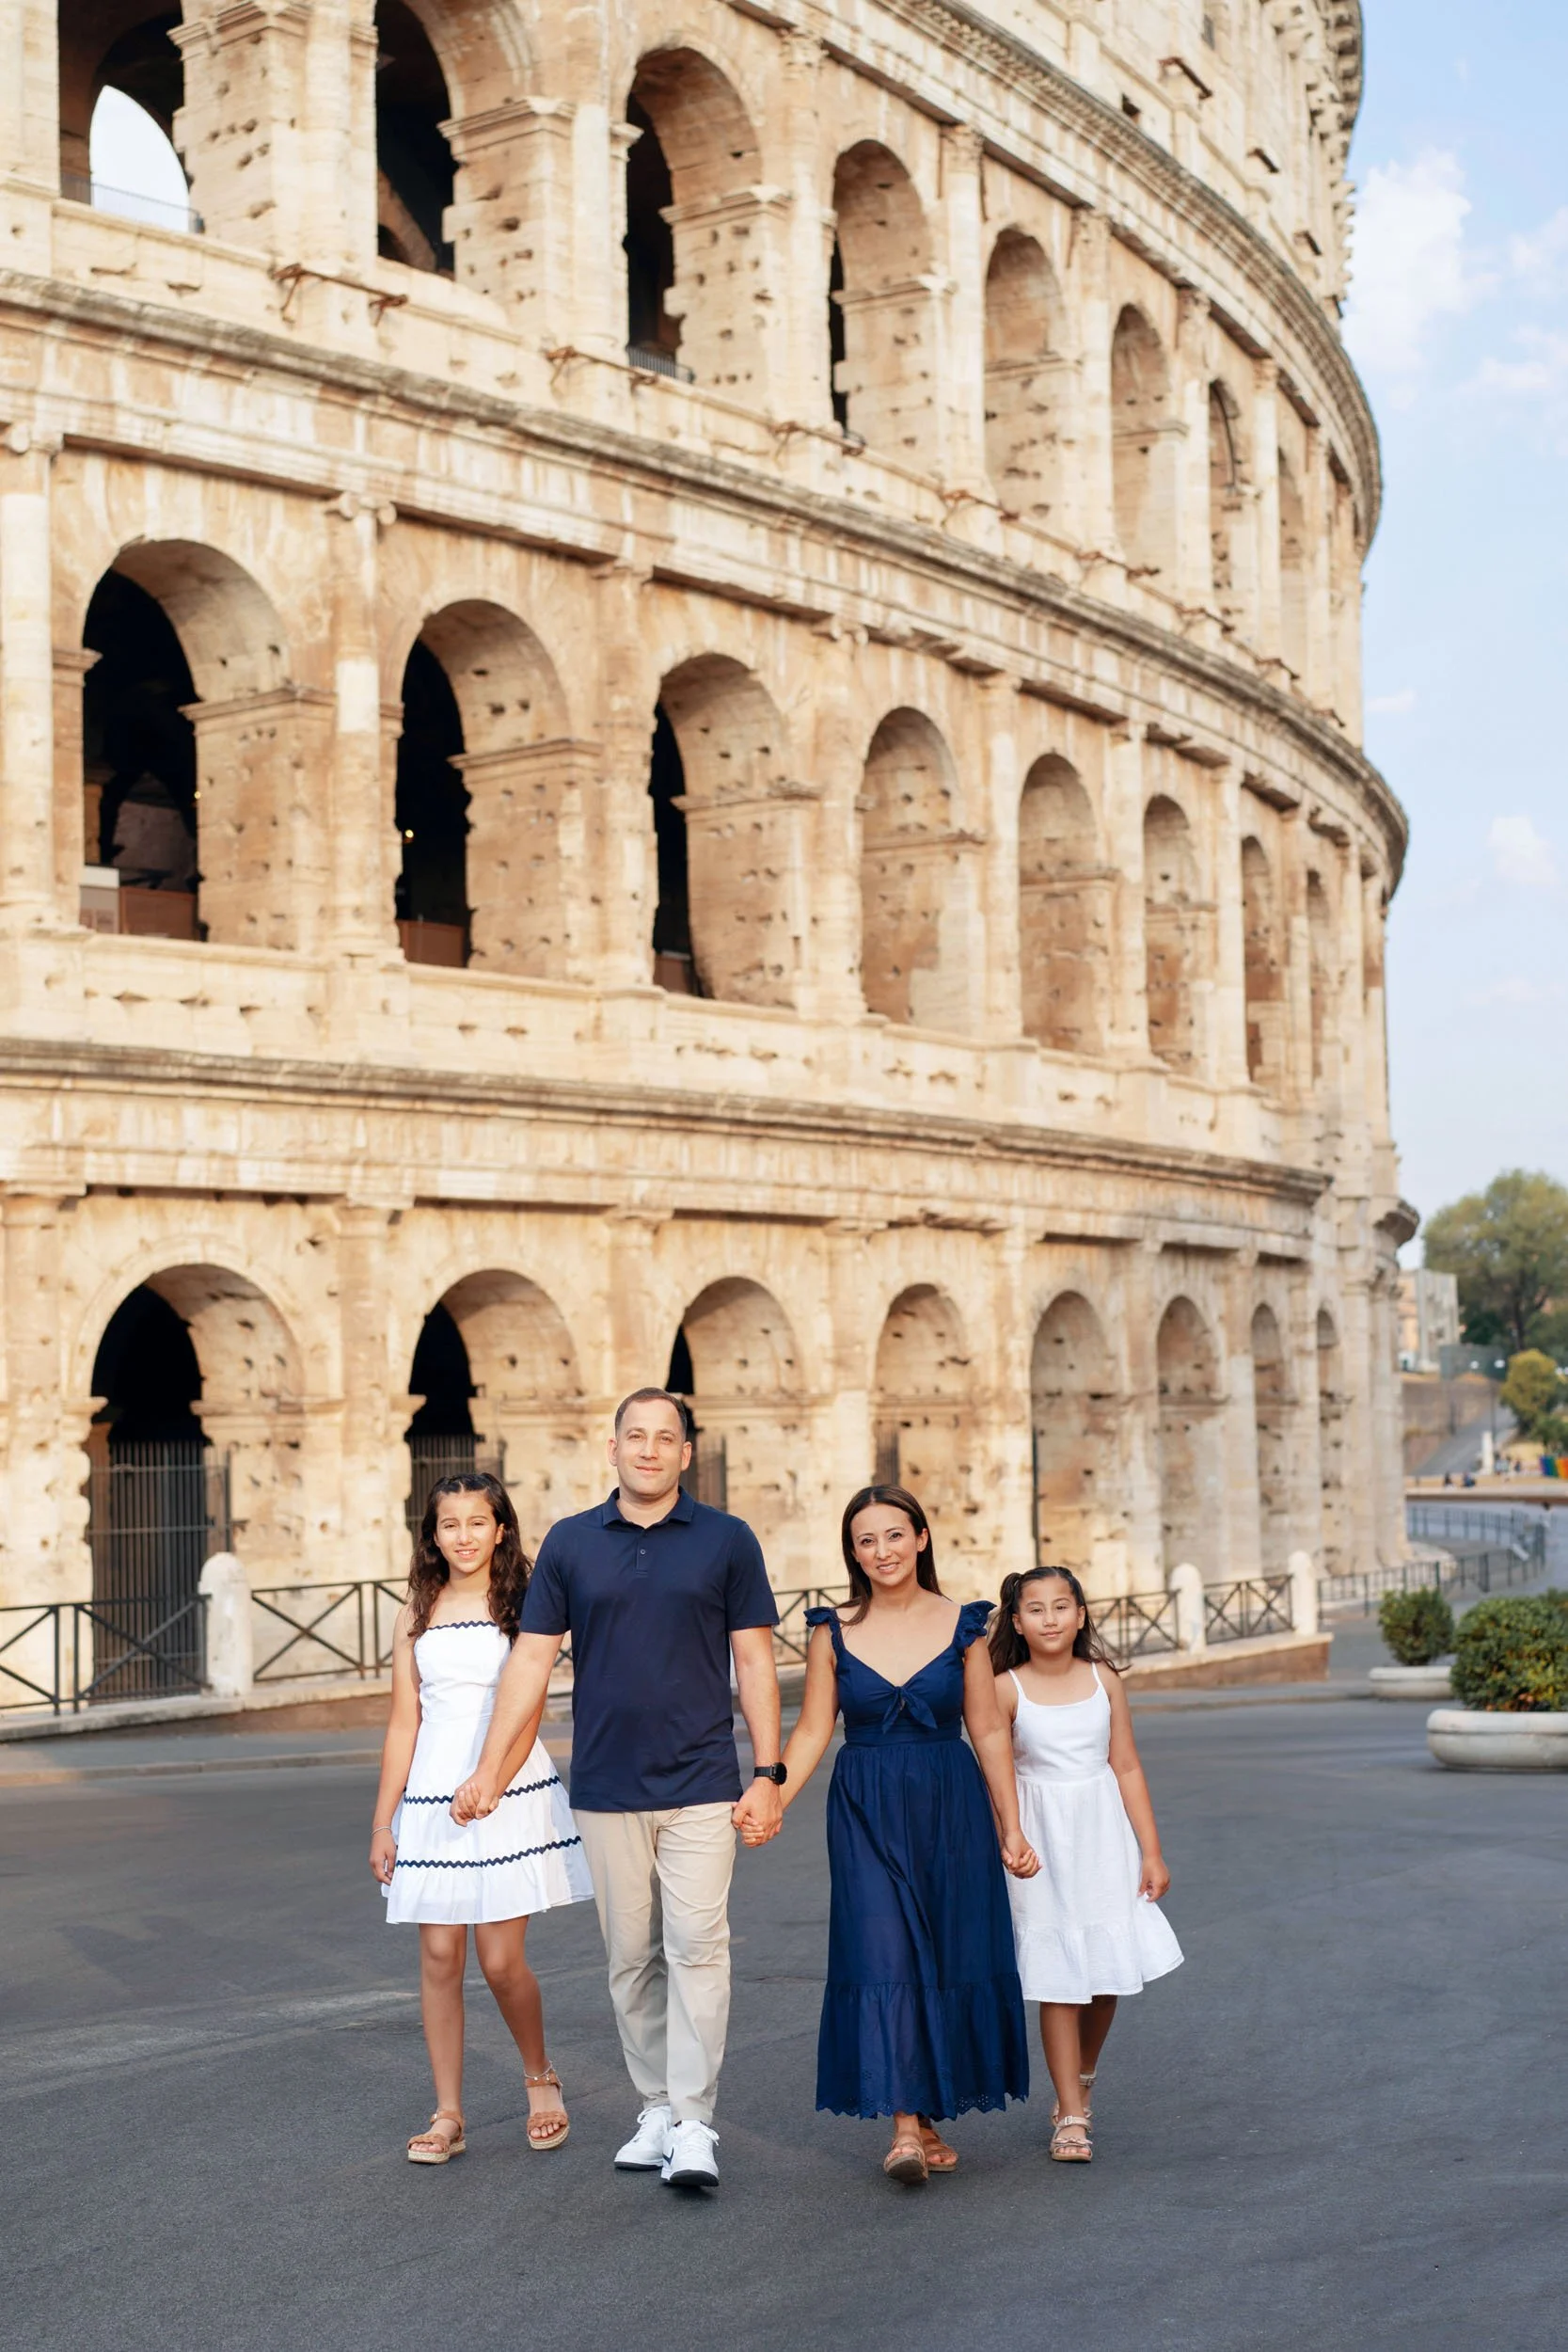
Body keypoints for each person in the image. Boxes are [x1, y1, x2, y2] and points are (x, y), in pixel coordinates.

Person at [451, 1390, 784, 2192]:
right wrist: (490, 1770)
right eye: (634, 1436)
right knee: (629, 1957)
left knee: (697, 1948)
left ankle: (696, 2122)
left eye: (663, 1438)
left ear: (684, 1454)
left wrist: (767, 1774)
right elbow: (530, 1663)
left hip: (703, 1779)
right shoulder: (571, 1543)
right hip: (603, 1784)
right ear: (613, 1449)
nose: (648, 1450)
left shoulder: (727, 1541)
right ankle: (657, 2107)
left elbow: (754, 1662)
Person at [778, 1485, 1037, 2185]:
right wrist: (770, 1792)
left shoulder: (963, 1623)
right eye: (866, 1541)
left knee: (944, 1950)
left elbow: (985, 1727)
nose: (881, 1551)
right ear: (852, 1553)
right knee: (882, 1948)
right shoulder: (830, 1629)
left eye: (894, 1536)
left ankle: (924, 2111)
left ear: (920, 1539)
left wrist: (1010, 1826)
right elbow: (811, 1729)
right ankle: (901, 2129)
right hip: (863, 1805)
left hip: (948, 1803)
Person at [370, 1472, 594, 2164]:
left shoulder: (528, 1602)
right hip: (432, 1794)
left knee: (500, 1962)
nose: (462, 1536)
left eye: (476, 1522)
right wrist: (384, 1822)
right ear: (431, 1534)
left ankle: (538, 2076)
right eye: (449, 1524)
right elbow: (404, 1721)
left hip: (507, 1784)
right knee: (439, 1955)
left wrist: (491, 1778)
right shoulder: (416, 1609)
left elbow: (527, 1707)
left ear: (501, 1529)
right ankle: (448, 2115)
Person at [990, 1565, 1183, 2164]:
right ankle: (1070, 2112)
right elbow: (996, 1771)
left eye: (1061, 1606)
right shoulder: (1006, 1687)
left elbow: (1125, 1765)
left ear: (1080, 1615)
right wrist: (1011, 1835)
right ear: (1017, 1623)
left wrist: (1150, 1850)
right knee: (1059, 1978)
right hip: (1042, 1841)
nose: (1050, 1618)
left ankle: (1084, 2072)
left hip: (1103, 1836)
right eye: (1036, 1609)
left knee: (1105, 1974)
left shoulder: (1105, 1680)